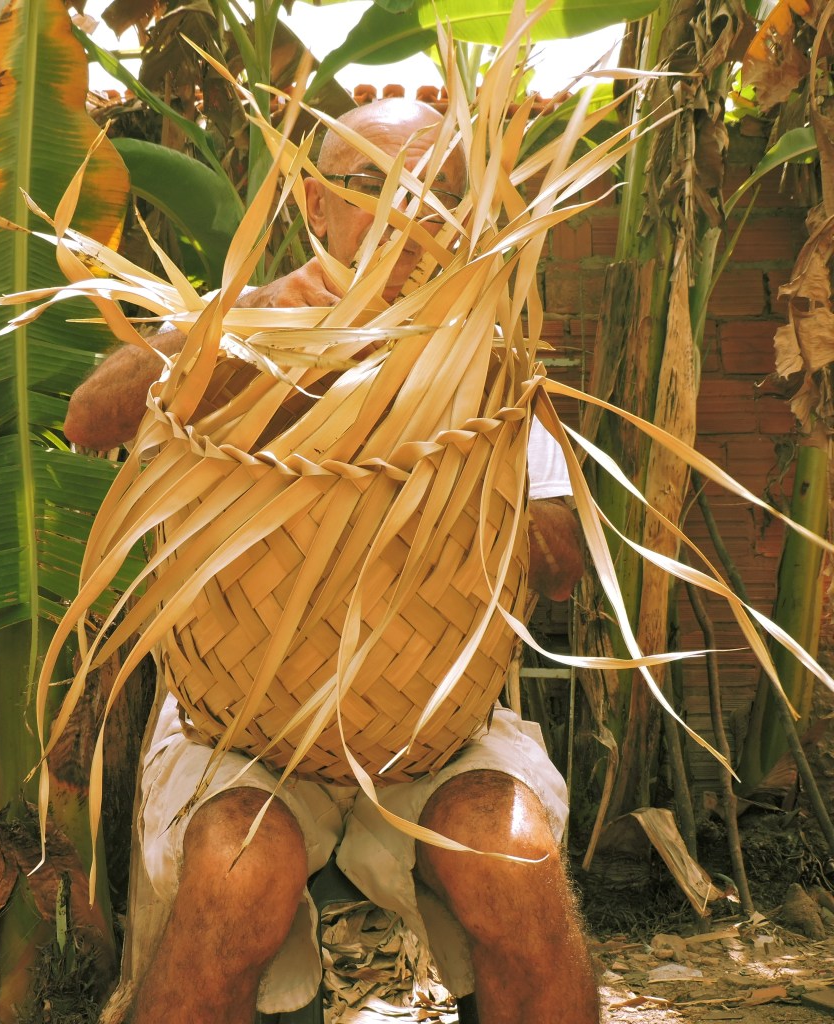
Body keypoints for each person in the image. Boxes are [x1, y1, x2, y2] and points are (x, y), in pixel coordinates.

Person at [69, 99, 596, 1024]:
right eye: (376, 187)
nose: (411, 213)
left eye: (437, 190)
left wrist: (447, 504)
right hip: (239, 727)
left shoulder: (484, 359)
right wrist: (243, 335)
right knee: (237, 870)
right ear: (316, 207)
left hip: (435, 722)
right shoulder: (248, 327)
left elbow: (561, 567)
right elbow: (90, 418)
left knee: (512, 856)